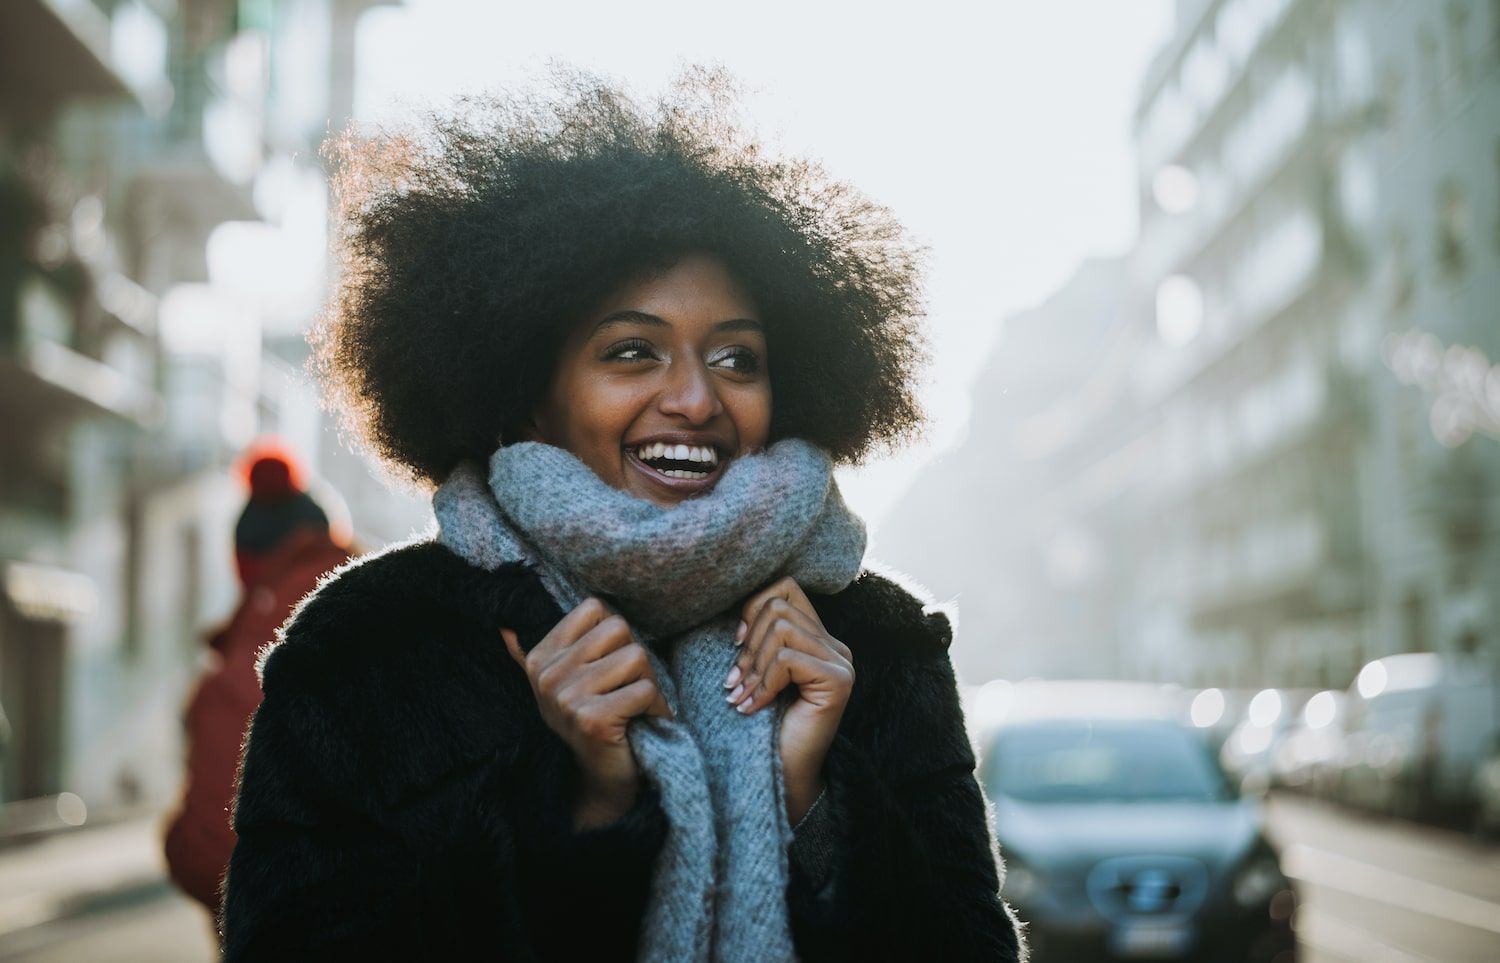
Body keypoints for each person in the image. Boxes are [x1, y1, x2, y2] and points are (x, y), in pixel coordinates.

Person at [220, 70, 1025, 962]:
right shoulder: (367, 651)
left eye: (738, 358)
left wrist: (813, 803)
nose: (696, 398)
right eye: (633, 350)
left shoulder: (878, 646)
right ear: (528, 395)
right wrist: (583, 812)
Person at [163, 445, 349, 917]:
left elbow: (213, 855)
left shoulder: (243, 674)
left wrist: (173, 841)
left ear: (245, 566)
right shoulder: (400, 610)